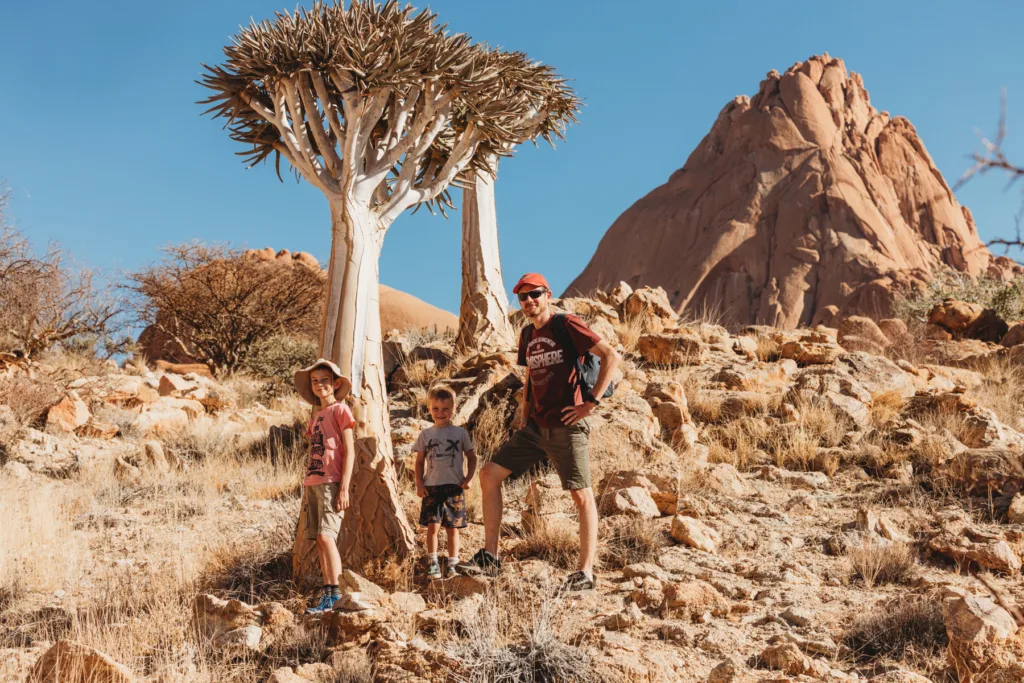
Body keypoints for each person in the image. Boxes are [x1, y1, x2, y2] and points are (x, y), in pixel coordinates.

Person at [456, 273, 620, 591]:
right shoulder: (528, 335)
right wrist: (524, 410)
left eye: (535, 295)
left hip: (567, 424)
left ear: (548, 295)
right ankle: (490, 557)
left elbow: (611, 356)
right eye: (523, 297)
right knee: (489, 475)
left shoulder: (567, 324)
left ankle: (585, 572)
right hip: (536, 427)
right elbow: (531, 372)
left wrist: (590, 404)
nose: (529, 301)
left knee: (581, 495)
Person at [293, 358, 356, 614]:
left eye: (325, 381)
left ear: (335, 384)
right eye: (315, 382)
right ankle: (327, 594)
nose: (320, 385)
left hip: (332, 482)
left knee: (326, 537)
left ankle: (336, 593)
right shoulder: (316, 415)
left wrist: (344, 487)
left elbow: (350, 451)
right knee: (319, 539)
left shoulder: (341, 410)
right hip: (314, 482)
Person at [412, 385, 477, 579]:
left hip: (454, 487)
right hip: (431, 486)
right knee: (433, 527)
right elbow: (419, 461)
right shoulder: (426, 434)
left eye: (445, 409)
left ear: (453, 409)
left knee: (453, 528)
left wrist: (469, 478)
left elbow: (472, 457)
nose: (440, 413)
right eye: (435, 409)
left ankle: (453, 564)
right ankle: (432, 562)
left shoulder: (460, 434)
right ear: (429, 409)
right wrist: (419, 484)